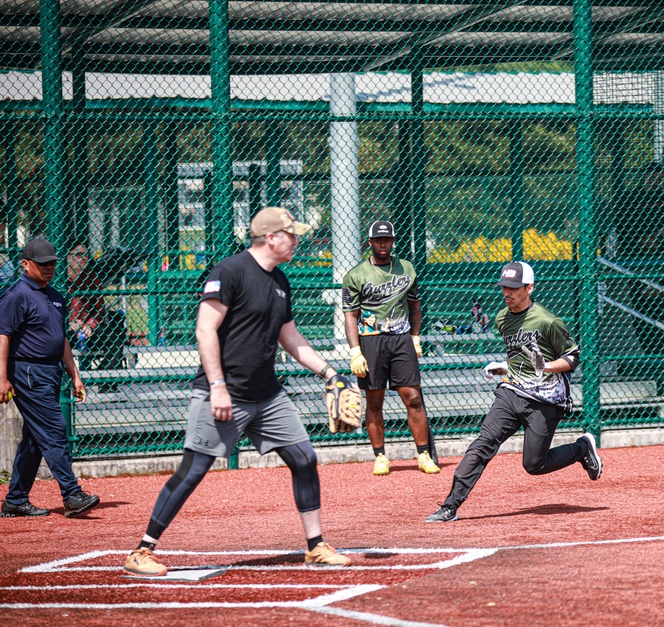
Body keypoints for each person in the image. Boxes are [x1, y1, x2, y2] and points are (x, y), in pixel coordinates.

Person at [122, 207, 351, 576]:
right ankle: (142, 550)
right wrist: (217, 386)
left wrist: (329, 372)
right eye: (292, 235)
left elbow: (289, 337)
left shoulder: (280, 281)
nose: (297, 241)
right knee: (194, 469)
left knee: (304, 458)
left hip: (267, 393)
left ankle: (315, 546)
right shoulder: (230, 271)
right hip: (225, 391)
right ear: (271, 237)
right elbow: (205, 329)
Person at [426, 261, 603, 523]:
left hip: (545, 399)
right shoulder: (502, 318)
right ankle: (450, 506)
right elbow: (519, 356)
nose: (507, 292)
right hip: (512, 392)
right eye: (504, 287)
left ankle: (581, 449)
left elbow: (573, 358)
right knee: (483, 443)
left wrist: (548, 367)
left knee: (534, 465)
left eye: (514, 287)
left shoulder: (547, 320)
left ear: (529, 287)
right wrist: (504, 367)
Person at [0, 236, 99, 518]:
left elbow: (61, 338)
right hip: (28, 372)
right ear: (25, 264)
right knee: (55, 430)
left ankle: (16, 499)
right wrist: (2, 377)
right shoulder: (16, 295)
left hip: (51, 371)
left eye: (52, 263)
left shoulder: (56, 296)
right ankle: (72, 493)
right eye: (42, 264)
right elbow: (2, 336)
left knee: (35, 439)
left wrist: (75, 374)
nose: (48, 268)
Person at [341, 220, 438, 476]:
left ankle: (423, 454)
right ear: (370, 243)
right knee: (374, 401)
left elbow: (415, 305)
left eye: (388, 239)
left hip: (400, 338)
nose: (383, 244)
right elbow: (350, 315)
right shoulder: (356, 274)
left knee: (413, 397)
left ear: (393, 241)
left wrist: (415, 336)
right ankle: (380, 456)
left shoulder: (406, 268)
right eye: (378, 240)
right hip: (371, 340)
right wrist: (355, 350)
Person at [613, 163, 664, 391]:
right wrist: (642, 241)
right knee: (642, 315)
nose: (654, 181)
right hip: (638, 265)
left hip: (662, 263)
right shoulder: (630, 200)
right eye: (650, 177)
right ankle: (655, 366)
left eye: (658, 177)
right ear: (643, 177)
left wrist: (661, 237)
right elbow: (622, 228)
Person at [66, 241, 127, 381]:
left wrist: (90, 324)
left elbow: (99, 309)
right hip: (64, 330)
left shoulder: (91, 278)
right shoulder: (58, 279)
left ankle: (106, 383)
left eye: (86, 255)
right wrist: (67, 323)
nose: (84, 259)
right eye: (79, 255)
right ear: (68, 257)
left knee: (115, 335)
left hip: (87, 330)